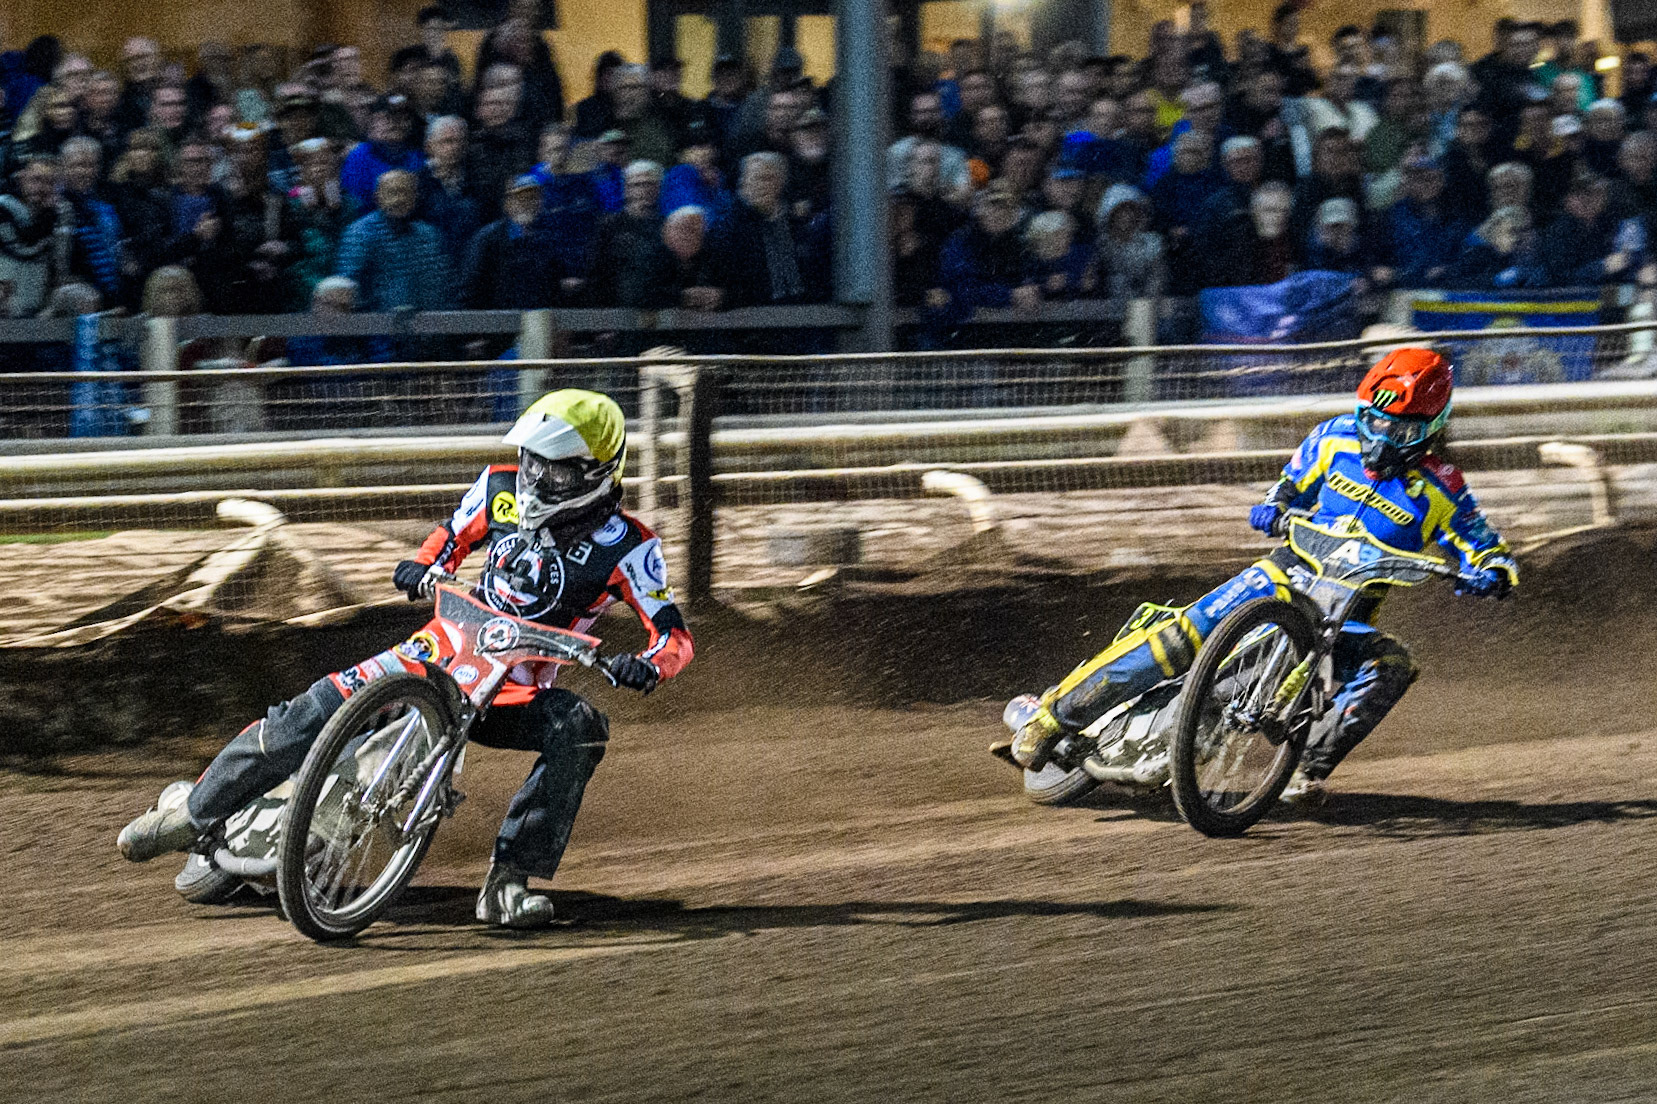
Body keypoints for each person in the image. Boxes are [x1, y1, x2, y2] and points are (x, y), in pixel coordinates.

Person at [118, 389, 695, 928]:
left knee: (582, 729)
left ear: (595, 474)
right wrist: (424, 567)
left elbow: (673, 635)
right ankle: (191, 813)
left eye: (555, 468)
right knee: (317, 705)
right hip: (440, 648)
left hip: (512, 688)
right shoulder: (499, 487)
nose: (536, 476)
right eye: (532, 460)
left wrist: (648, 664)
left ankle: (508, 880)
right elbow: (449, 537)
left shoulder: (630, 545)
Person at [992, 349, 1518, 802]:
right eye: (1373, 420)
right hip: (1284, 574)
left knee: (1393, 664)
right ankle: (1052, 719)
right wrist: (1274, 503)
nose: (1380, 436)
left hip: (1347, 613)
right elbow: (1289, 485)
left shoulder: (1444, 488)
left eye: (1398, 429)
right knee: (1185, 632)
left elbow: (1487, 547)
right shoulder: (1334, 437)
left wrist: (1491, 573)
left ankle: (1306, 769)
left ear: (1431, 430)